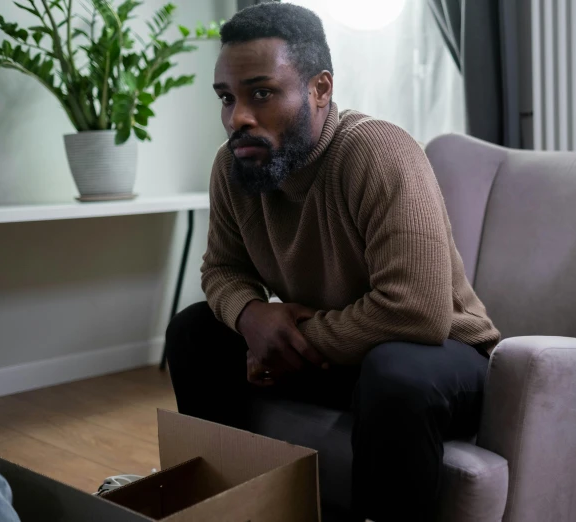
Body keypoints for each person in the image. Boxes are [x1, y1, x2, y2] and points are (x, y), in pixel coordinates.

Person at [165, 3, 500, 521]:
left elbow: (416, 312)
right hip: (342, 359)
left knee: (396, 371)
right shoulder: (233, 167)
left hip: (443, 357)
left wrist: (284, 342)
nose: (239, 118)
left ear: (320, 89)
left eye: (261, 93)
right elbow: (222, 270)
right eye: (227, 99)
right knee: (193, 332)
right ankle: (231, 506)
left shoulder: (378, 152)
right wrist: (252, 317)